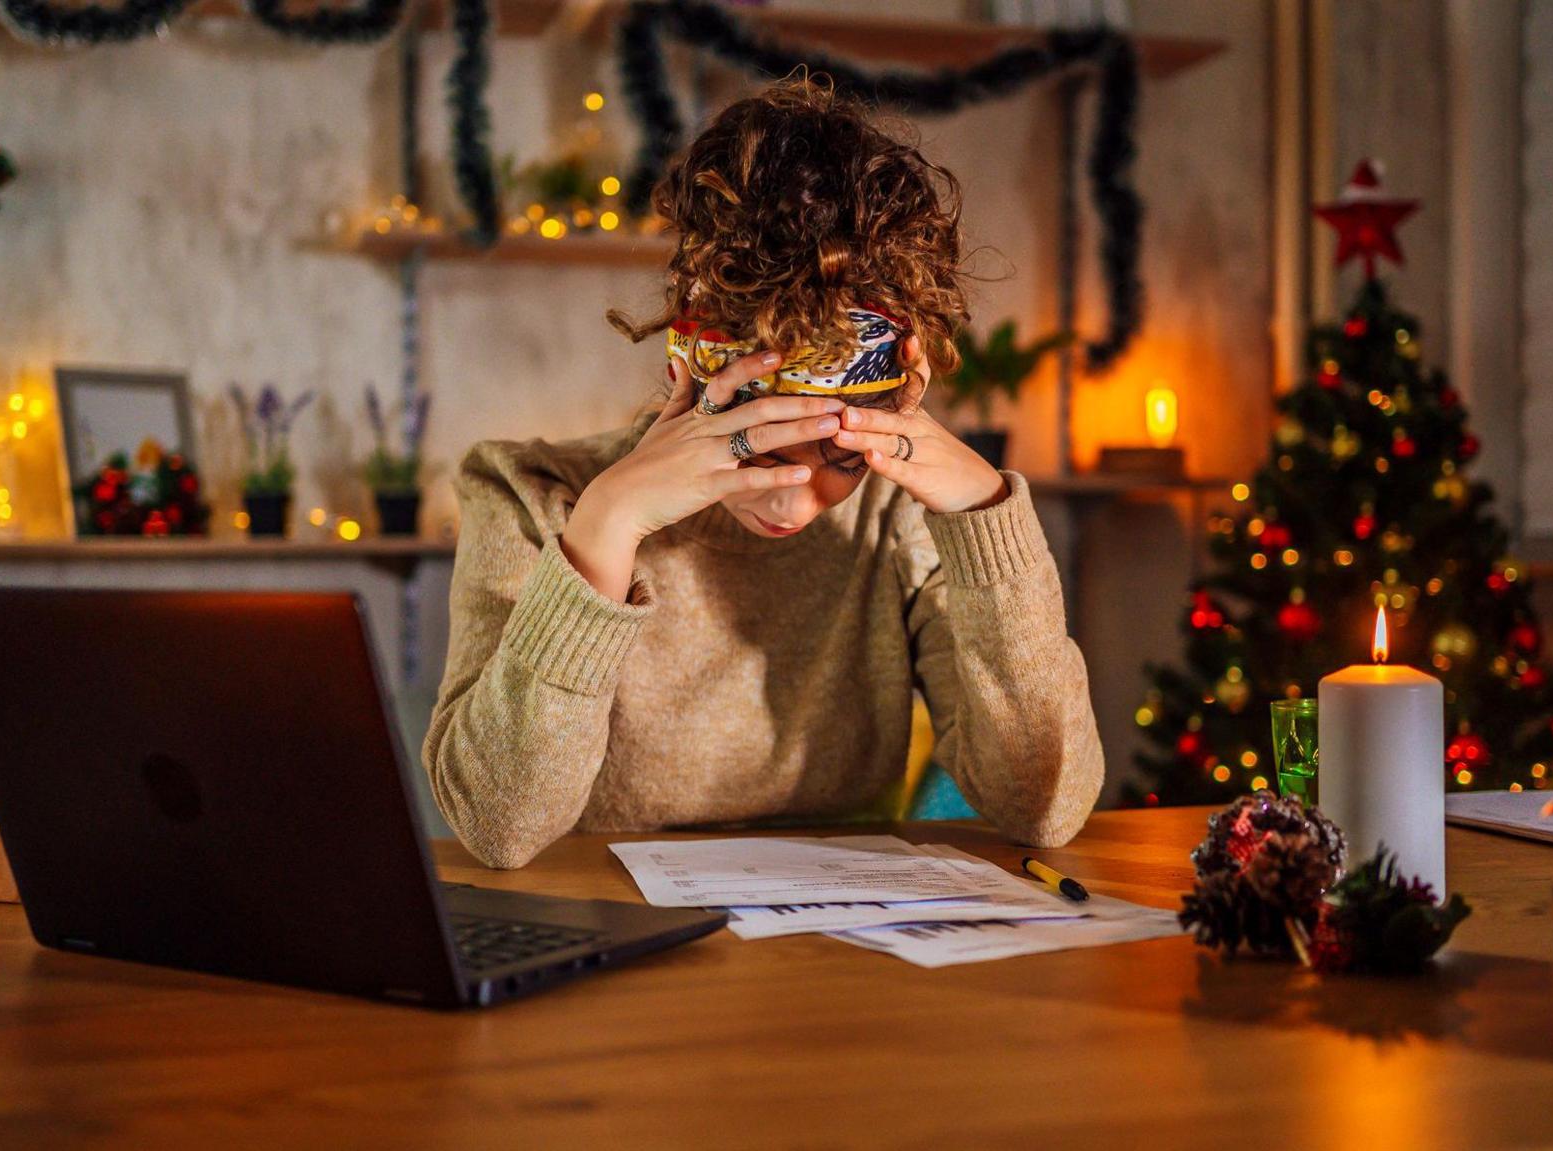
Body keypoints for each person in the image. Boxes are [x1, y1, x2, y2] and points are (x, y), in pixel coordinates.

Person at [424, 79, 1103, 869]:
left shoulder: (899, 516)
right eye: (757, 451)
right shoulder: (526, 494)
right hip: (613, 960)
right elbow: (498, 826)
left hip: (843, 961)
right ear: (686, 367)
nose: (793, 496)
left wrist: (989, 514)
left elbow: (1044, 807)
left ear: (905, 388)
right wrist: (605, 528)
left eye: (840, 460)